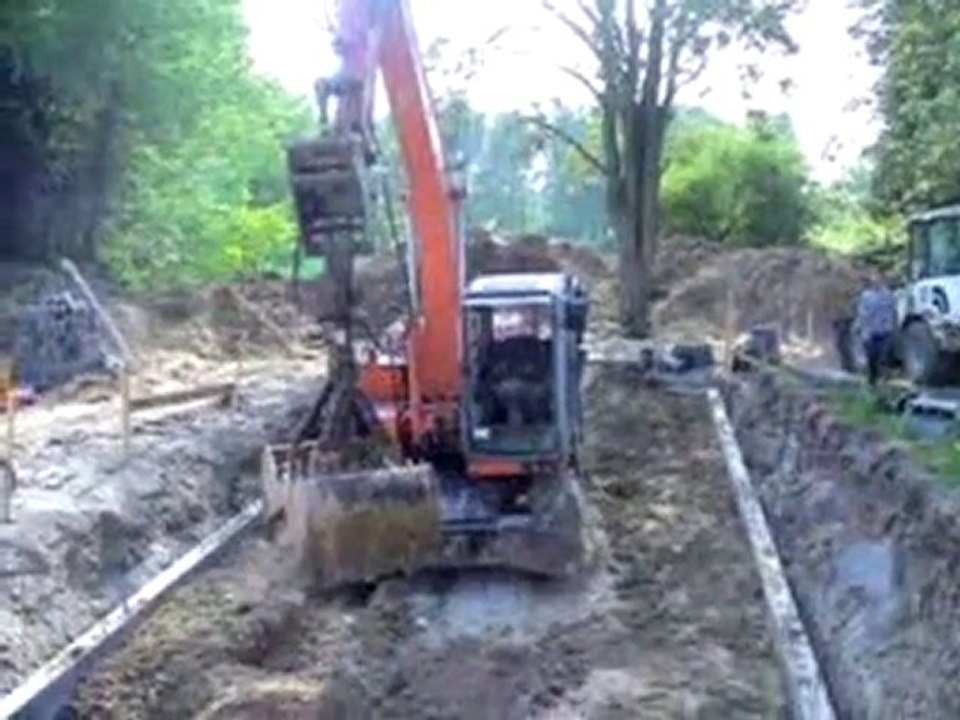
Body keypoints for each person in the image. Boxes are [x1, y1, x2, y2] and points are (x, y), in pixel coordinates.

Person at [855, 277, 898, 386]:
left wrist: (892, 326)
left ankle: (880, 380)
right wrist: (861, 328)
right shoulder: (867, 296)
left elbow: (892, 312)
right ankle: (873, 380)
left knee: (882, 358)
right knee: (873, 357)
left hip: (883, 331)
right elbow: (863, 313)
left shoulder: (888, 295)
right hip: (872, 331)